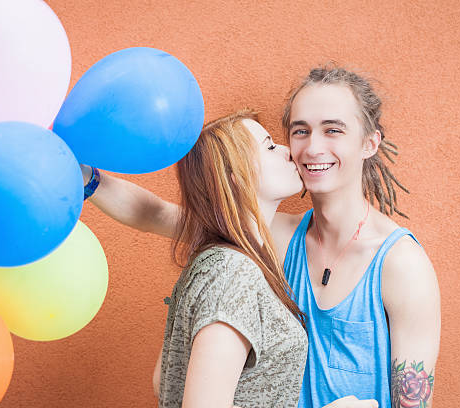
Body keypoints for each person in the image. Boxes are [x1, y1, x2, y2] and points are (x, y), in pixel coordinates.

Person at [82, 109, 379, 408]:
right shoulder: (232, 272)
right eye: (270, 147)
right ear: (236, 177)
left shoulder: (226, 260)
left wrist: (86, 178)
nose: (289, 151)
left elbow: (164, 380)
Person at [272, 66, 441, 408]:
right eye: (300, 131)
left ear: (369, 143)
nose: (312, 148)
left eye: (333, 130)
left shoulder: (401, 264)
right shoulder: (277, 237)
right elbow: (167, 218)